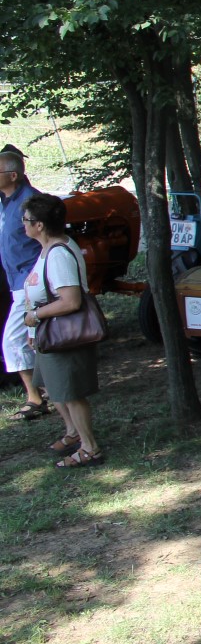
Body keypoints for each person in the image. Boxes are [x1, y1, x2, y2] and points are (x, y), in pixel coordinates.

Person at [21, 194, 103, 467]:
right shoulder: (48, 249)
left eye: (26, 220)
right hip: (48, 334)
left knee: (70, 393)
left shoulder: (58, 255)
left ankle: (90, 448)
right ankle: (72, 432)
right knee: (54, 388)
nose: (23, 224)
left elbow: (71, 300)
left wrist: (35, 316)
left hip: (63, 336)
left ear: (40, 225)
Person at [0, 146, 47, 421]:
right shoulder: (6, 201)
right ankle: (46, 390)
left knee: (13, 340)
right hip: (15, 279)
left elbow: (49, 239)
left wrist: (40, 274)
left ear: (13, 175)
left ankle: (34, 397)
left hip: (29, 280)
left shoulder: (30, 202)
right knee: (34, 339)